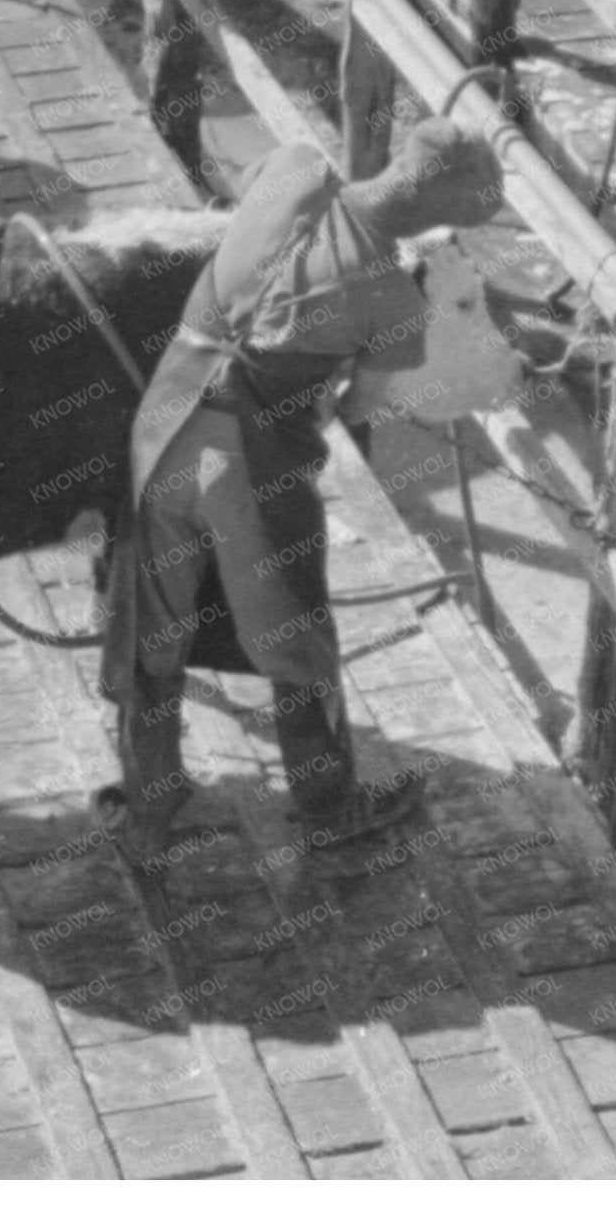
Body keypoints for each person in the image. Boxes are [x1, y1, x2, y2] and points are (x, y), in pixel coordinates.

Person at [95, 117, 509, 865]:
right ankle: (329, 805)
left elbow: (235, 217)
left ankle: (147, 805)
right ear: (435, 215)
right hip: (250, 459)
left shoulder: (295, 166)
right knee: (295, 638)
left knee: (151, 619)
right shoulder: (395, 306)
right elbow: (357, 407)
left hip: (164, 417)